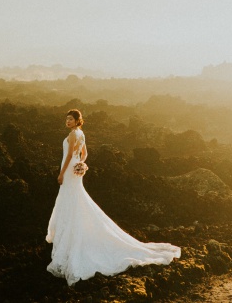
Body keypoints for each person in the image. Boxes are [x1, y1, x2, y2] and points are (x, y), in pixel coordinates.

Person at [46, 108, 180, 285]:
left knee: (70, 201)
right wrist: (81, 165)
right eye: (66, 119)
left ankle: (71, 239)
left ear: (77, 121)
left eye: (70, 119)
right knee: (76, 200)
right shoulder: (81, 134)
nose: (67, 122)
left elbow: (70, 154)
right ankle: (73, 235)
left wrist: (62, 173)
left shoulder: (72, 135)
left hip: (69, 171)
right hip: (75, 172)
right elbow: (84, 154)